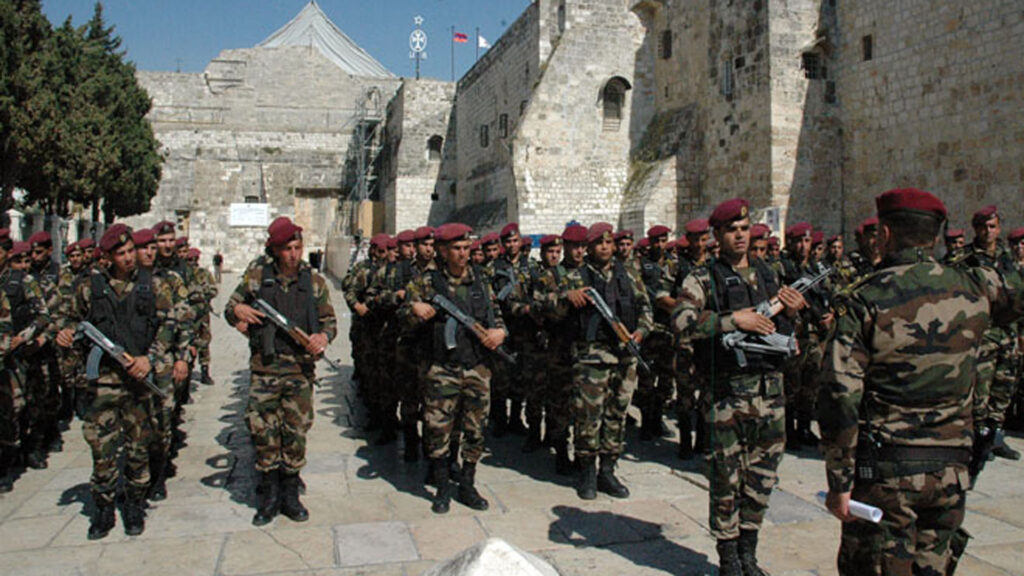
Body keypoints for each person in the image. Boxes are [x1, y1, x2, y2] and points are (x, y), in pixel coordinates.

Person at [818, 188, 1024, 575]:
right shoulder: (974, 287)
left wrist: (839, 482)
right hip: (951, 471)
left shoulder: (865, 299)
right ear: (935, 236)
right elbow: (1016, 296)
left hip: (889, 473)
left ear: (885, 234)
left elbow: (839, 396)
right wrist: (988, 251)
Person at [672, 199, 806, 575]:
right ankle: (728, 558)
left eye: (745, 228)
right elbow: (682, 322)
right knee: (725, 478)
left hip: (770, 393)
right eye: (732, 230)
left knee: (762, 477)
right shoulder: (703, 278)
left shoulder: (768, 274)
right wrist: (733, 321)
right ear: (717, 236)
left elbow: (783, 330)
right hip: (728, 394)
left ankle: (749, 551)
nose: (740, 235)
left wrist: (792, 314)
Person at [56, 224, 186, 538]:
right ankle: (102, 508)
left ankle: (133, 505)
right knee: (102, 448)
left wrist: (149, 359)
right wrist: (66, 332)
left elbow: (169, 326)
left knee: (138, 447)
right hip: (102, 382)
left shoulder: (153, 285)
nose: (129, 258)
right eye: (121, 254)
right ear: (108, 257)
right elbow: (65, 316)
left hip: (138, 380)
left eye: (131, 251)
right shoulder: (90, 287)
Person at [225, 217, 336, 526]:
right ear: (274, 250)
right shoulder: (257, 278)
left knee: (295, 432)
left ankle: (290, 493)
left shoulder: (314, 283)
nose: (293, 254)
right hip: (265, 370)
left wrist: (322, 338)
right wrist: (239, 312)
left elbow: (329, 322)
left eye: (298, 247)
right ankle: (269, 495)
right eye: (287, 248)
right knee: (264, 433)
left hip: (300, 371)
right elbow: (229, 306)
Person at [399, 222, 506, 514]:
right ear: (443, 251)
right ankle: (443, 486)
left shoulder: (481, 281)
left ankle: (468, 484)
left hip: (477, 367)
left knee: (475, 430)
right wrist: (413, 310)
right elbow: (402, 317)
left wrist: (500, 333)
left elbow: (496, 316)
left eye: (466, 248)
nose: (463, 254)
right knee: (438, 429)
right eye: (456, 249)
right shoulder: (426, 282)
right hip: (442, 367)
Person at [559, 222, 653, 501]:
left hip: (625, 355)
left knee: (616, 415)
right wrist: (566, 296)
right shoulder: (575, 276)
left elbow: (646, 308)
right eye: (598, 242)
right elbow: (544, 303)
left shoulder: (629, 274)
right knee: (588, 416)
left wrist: (642, 331)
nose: (604, 247)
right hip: (592, 357)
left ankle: (608, 470)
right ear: (589, 247)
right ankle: (587, 471)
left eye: (608, 242)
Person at [959, 205, 1021, 461]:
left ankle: (996, 435)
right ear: (976, 229)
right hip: (983, 336)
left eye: (992, 227)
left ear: (999, 229)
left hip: (1008, 334)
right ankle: (979, 437)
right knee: (980, 392)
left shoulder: (1007, 258)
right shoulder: (966, 260)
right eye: (983, 227)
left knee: (1004, 388)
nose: (988, 232)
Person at [0, 230, 51, 492]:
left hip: (19, 353)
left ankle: (14, 460)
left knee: (19, 408)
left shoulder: (24, 281)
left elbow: (43, 316)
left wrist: (24, 337)